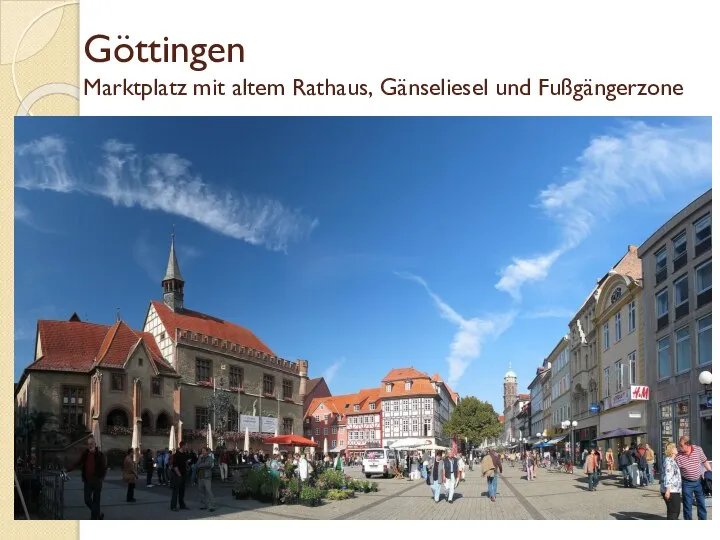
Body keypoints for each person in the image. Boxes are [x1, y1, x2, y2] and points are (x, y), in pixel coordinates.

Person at [65, 436, 107, 520]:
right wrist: (68, 469)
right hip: (87, 480)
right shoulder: (85, 454)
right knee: (87, 500)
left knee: (96, 501)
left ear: (95, 444)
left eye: (91, 444)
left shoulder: (100, 455)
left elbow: (104, 467)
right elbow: (77, 462)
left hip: (96, 480)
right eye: (88, 444)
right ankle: (98, 515)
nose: (90, 445)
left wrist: (101, 478)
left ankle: (94, 518)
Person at [675, 436, 711, 520]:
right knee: (687, 505)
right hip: (686, 483)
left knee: (701, 504)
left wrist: (711, 473)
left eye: (681, 445)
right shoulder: (678, 456)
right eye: (679, 445)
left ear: (688, 444)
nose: (680, 447)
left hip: (699, 482)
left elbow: (705, 461)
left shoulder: (698, 450)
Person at [660, 442, 682, 520]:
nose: (676, 449)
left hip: (674, 490)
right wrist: (667, 490)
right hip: (671, 490)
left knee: (674, 511)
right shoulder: (669, 461)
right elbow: (667, 475)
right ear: (671, 450)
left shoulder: (672, 460)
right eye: (675, 448)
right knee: (674, 512)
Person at [169, 441, 190, 511]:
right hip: (177, 475)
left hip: (183, 475)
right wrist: (179, 475)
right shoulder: (176, 455)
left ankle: (182, 505)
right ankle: (173, 506)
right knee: (175, 491)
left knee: (182, 491)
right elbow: (175, 466)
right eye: (186, 446)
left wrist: (187, 463)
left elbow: (185, 463)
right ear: (183, 446)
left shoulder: (184, 454)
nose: (187, 447)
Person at [196, 446, 216, 512]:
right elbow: (196, 465)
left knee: (208, 491)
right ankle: (203, 505)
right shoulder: (200, 457)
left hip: (207, 477)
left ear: (207, 452)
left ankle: (211, 506)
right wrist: (200, 463)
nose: (203, 452)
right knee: (201, 491)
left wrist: (200, 465)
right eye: (202, 451)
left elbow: (207, 465)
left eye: (204, 451)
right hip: (200, 477)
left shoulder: (210, 458)